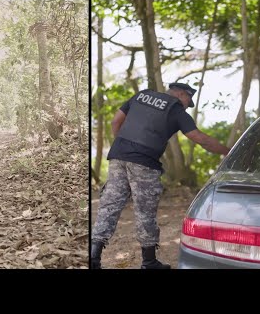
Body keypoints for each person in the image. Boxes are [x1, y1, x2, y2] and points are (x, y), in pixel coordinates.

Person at [91, 83, 230, 269]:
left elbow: (115, 122)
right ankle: (148, 262)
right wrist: (228, 152)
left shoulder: (141, 96)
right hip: (144, 162)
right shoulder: (176, 111)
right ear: (181, 94)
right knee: (145, 211)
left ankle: (93, 256)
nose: (188, 105)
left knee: (110, 205)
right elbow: (201, 139)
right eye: (189, 101)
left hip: (118, 157)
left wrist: (123, 148)